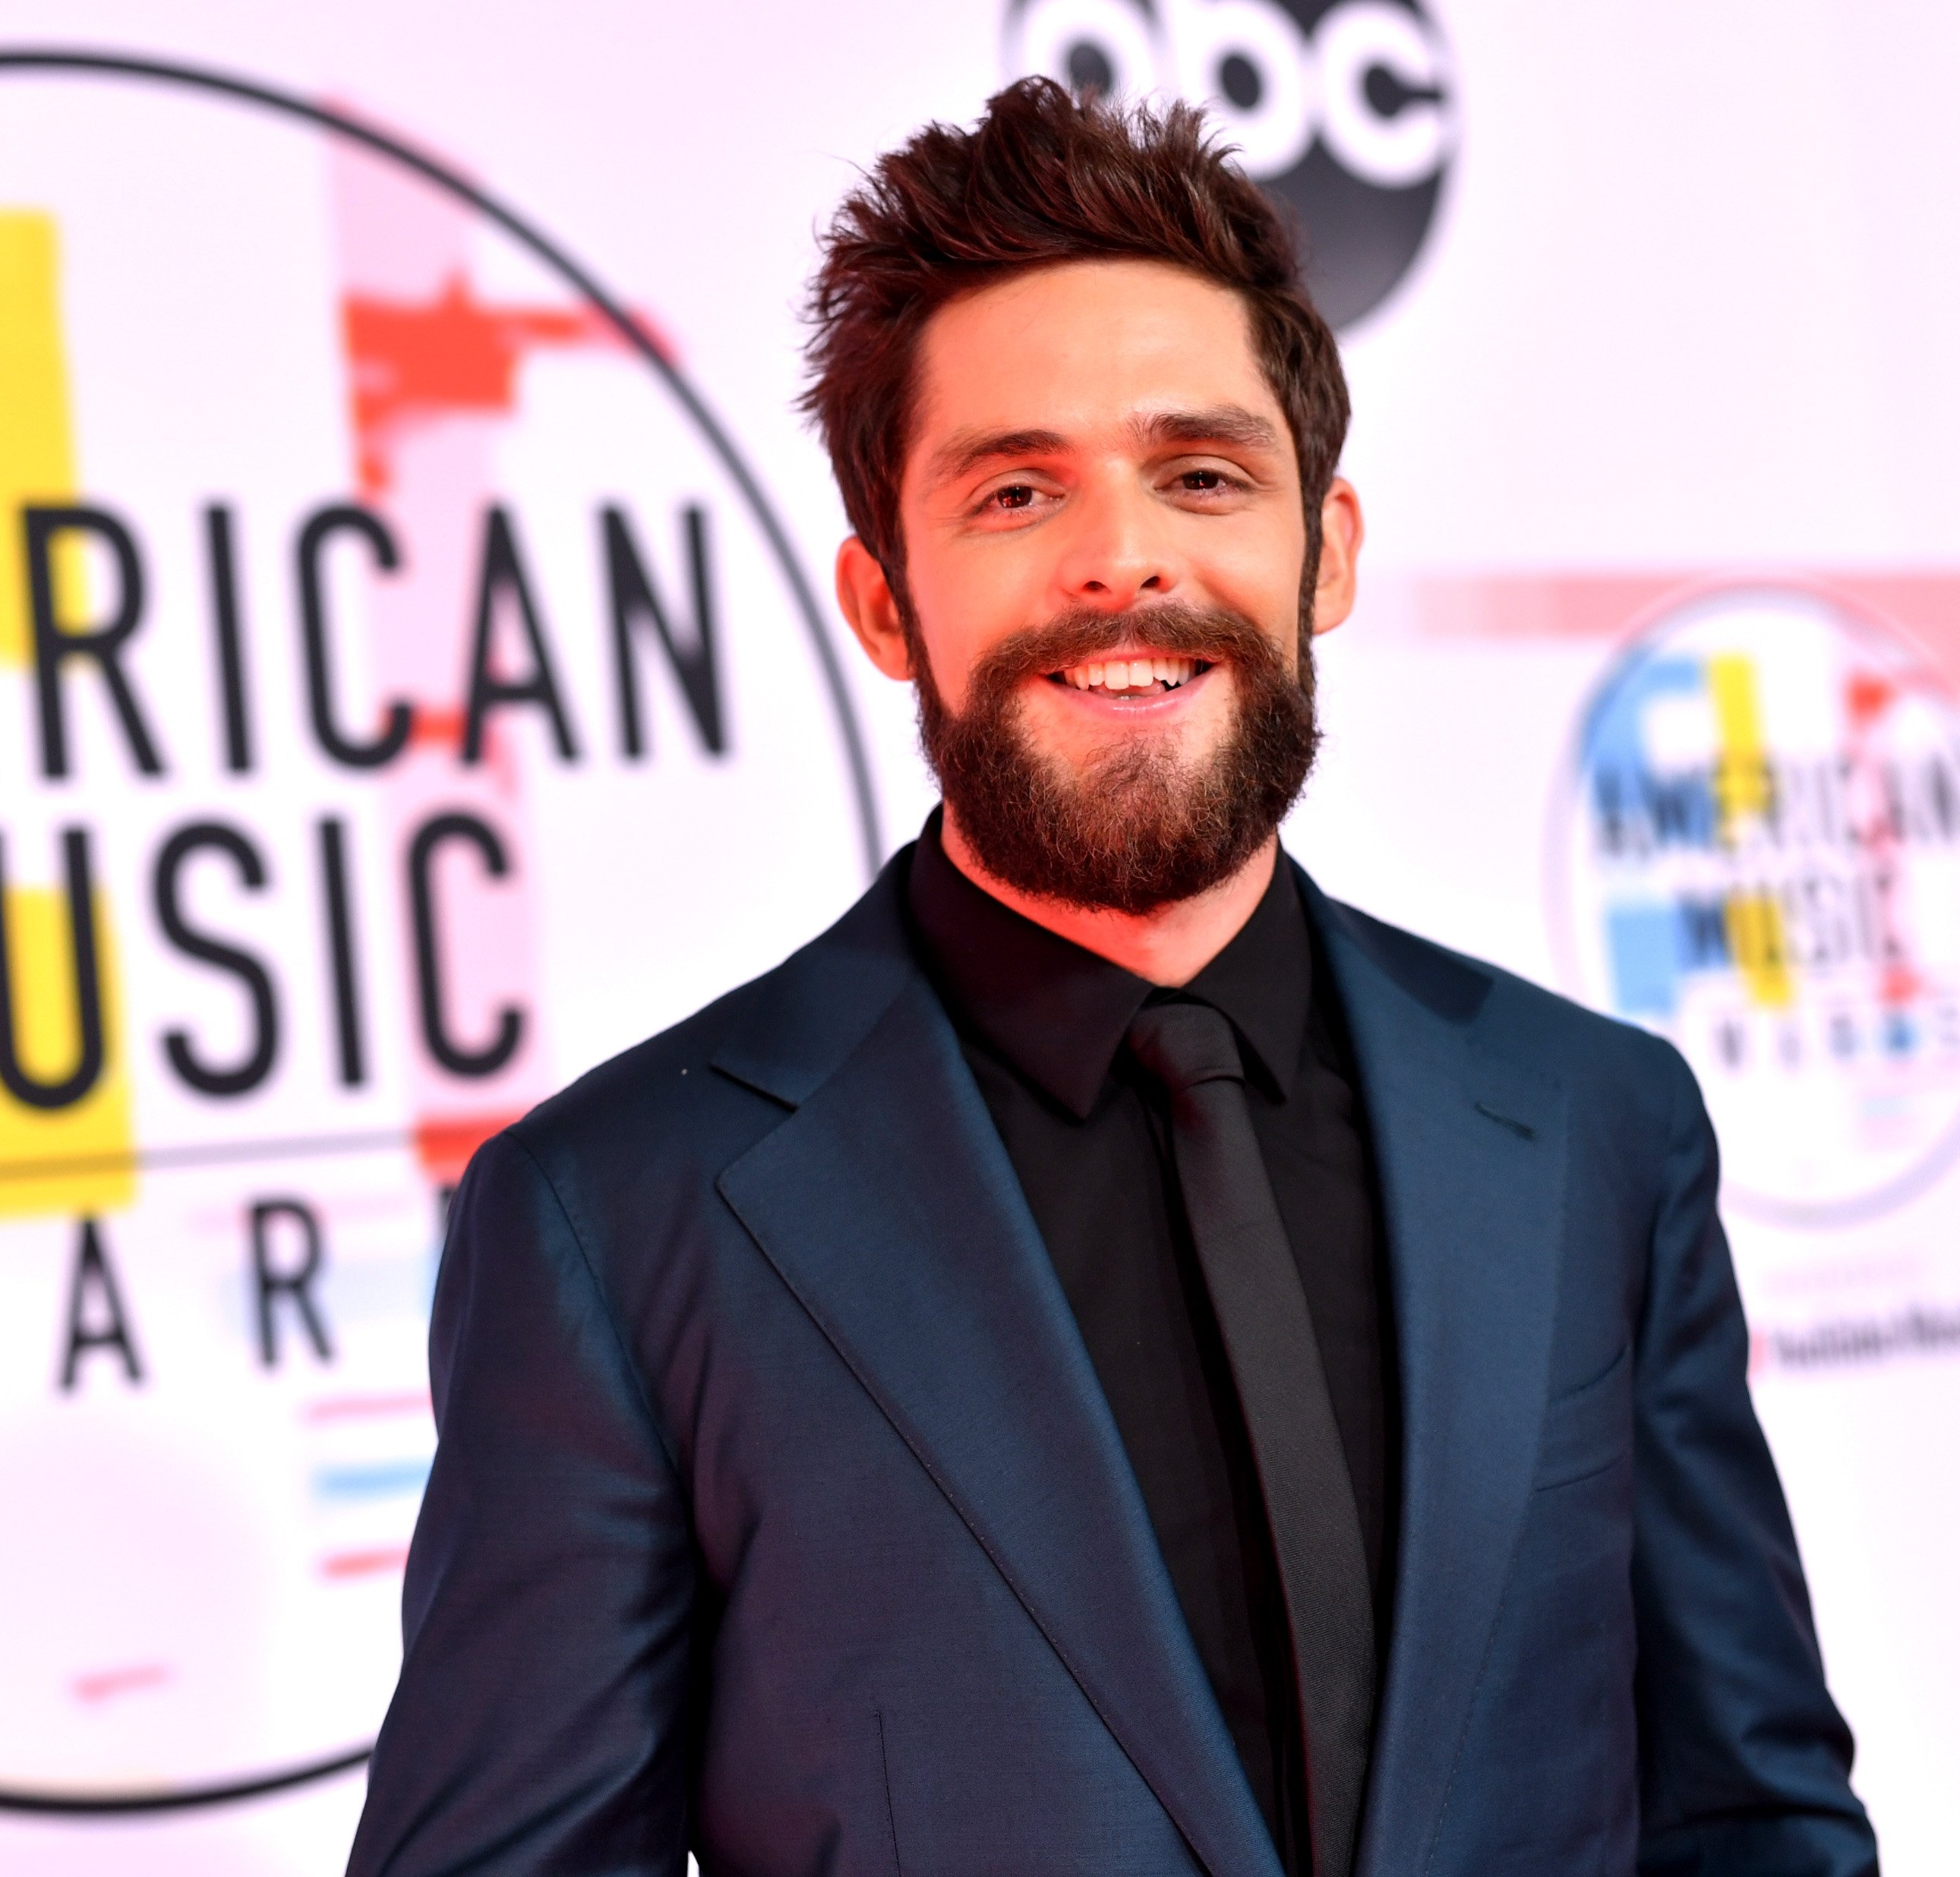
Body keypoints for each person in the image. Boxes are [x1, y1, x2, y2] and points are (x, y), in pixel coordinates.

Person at [348, 79, 1876, 1877]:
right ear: (883, 603)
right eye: (1014, 491)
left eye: (1203, 475)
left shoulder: (1594, 1128)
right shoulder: (622, 1218)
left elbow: (1747, 1818)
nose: (1122, 558)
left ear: (1326, 552)